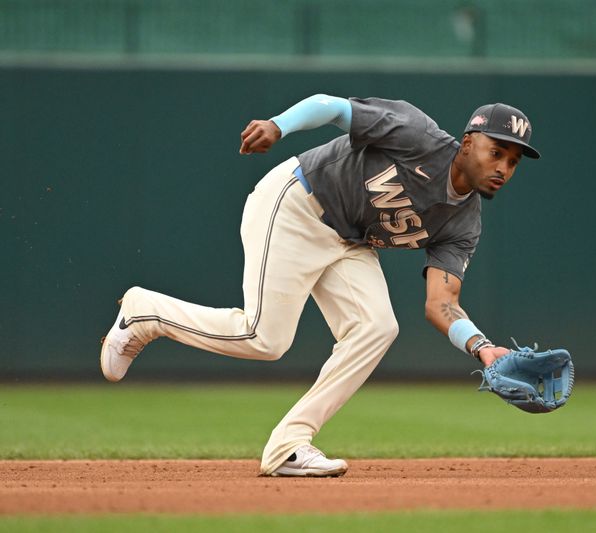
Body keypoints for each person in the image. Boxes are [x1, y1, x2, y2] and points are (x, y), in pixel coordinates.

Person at [100, 95, 541, 477]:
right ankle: (146, 313)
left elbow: (441, 304)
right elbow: (331, 107)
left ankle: (290, 444)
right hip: (297, 203)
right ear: (468, 142)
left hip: (349, 241)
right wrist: (279, 125)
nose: (503, 167)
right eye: (496, 151)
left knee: (377, 328)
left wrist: (483, 348)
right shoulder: (417, 135)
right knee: (265, 338)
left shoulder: (464, 223)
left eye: (513, 161)